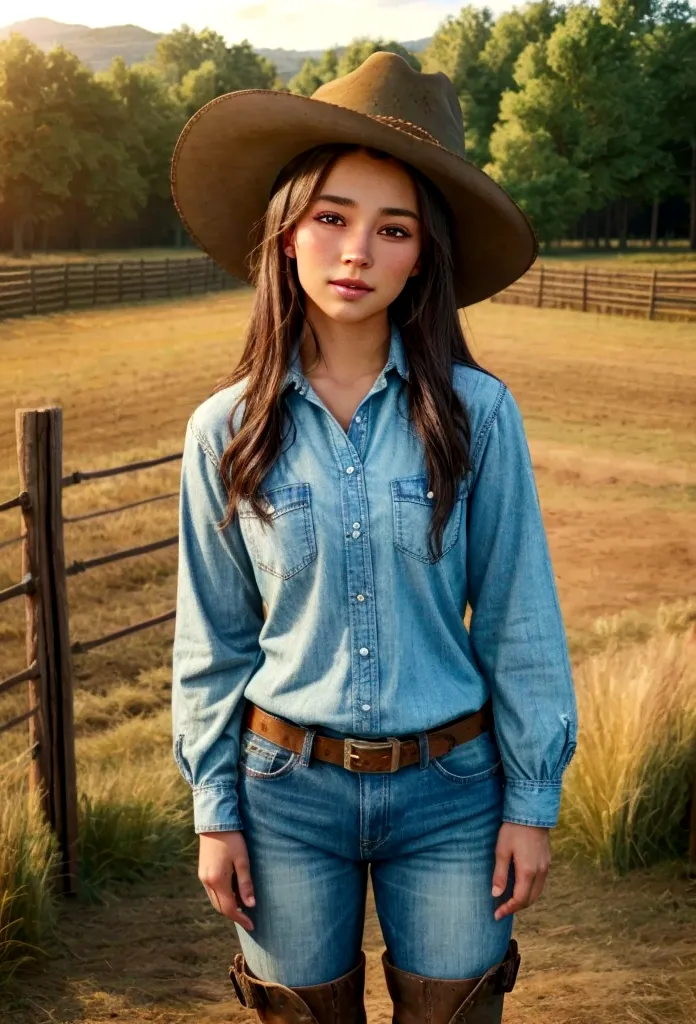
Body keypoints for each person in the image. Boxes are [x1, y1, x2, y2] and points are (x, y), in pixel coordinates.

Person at [169, 51, 578, 1024]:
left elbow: (518, 619)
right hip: (282, 799)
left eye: (391, 228)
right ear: (286, 234)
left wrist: (530, 800)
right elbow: (213, 643)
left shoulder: (480, 417)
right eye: (332, 217)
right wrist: (214, 810)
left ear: (422, 253)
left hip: (453, 797)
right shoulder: (223, 432)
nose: (356, 251)